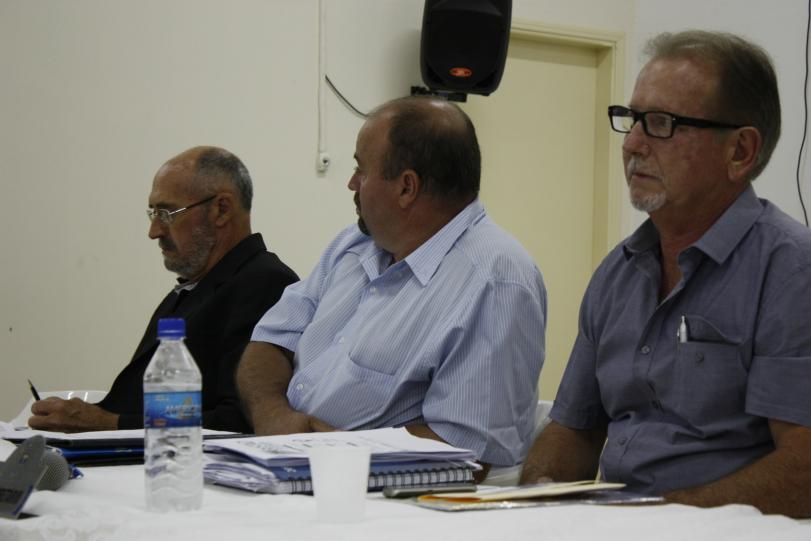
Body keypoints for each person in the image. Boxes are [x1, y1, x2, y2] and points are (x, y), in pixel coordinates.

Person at [520, 30, 811, 518]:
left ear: (740, 151)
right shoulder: (617, 273)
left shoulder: (791, 272)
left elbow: (804, 470)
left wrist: (656, 518)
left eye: (661, 124)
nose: (632, 144)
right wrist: (537, 496)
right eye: (631, 119)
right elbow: (575, 427)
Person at [237, 96, 546, 471]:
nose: (351, 183)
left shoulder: (494, 282)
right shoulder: (353, 244)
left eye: (361, 169)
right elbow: (271, 341)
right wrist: (277, 419)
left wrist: (330, 450)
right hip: (291, 469)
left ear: (406, 187)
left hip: (383, 496)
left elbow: (467, 450)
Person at [28, 146, 298, 433]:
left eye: (167, 213)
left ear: (221, 209)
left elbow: (239, 421)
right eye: (153, 214)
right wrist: (78, 415)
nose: (154, 231)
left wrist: (106, 423)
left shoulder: (266, 283)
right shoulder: (194, 288)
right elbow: (140, 404)